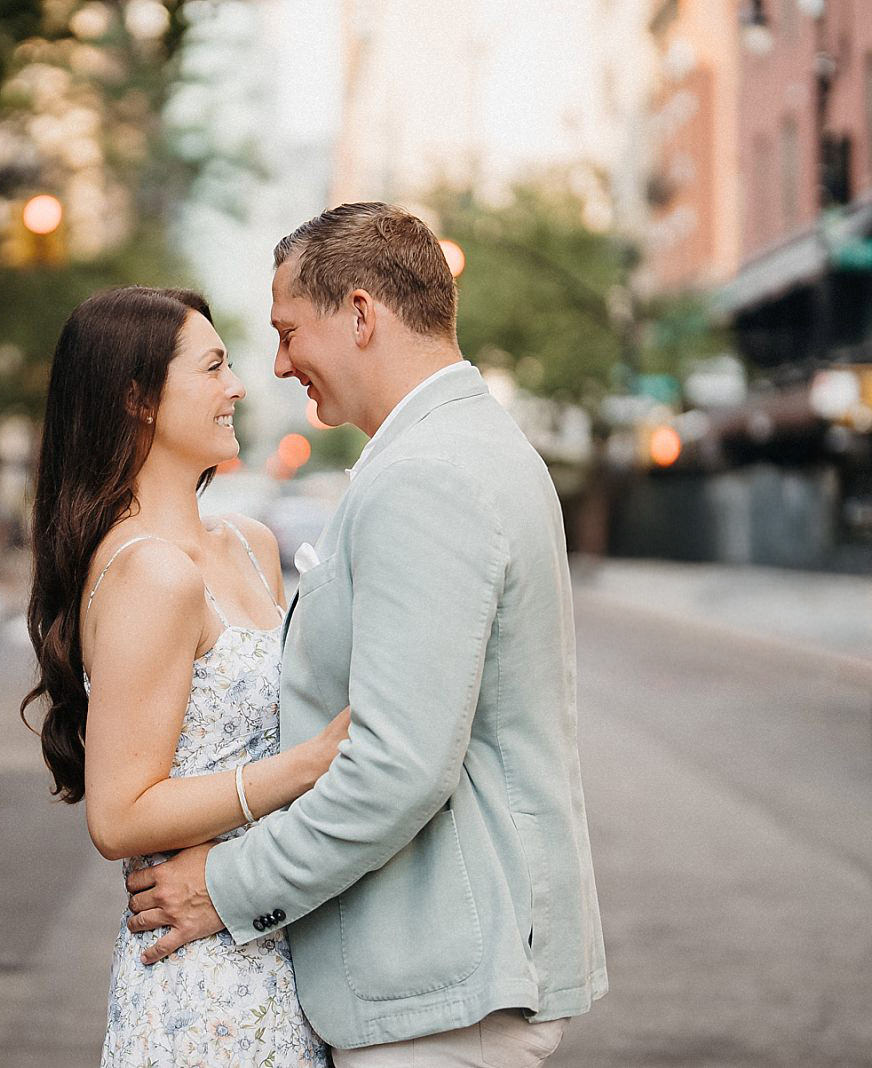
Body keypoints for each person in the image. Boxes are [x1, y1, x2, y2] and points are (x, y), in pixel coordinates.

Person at [123, 204, 609, 1066]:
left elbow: (397, 766)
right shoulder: (463, 444)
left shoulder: (427, 474)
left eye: (286, 332)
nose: (275, 366)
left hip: (443, 991)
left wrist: (222, 889)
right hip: (457, 972)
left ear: (359, 313)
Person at [21, 285, 348, 1065]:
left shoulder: (248, 544)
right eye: (211, 368)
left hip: (285, 942)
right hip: (204, 988)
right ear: (138, 398)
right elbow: (119, 815)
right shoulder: (149, 574)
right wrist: (305, 766)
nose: (236, 386)